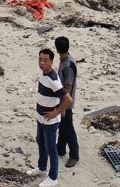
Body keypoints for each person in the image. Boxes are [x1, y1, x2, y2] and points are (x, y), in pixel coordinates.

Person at [26, 48, 72, 187]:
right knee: (40, 141)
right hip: (40, 117)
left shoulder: (53, 80)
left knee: (52, 148)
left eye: (45, 60)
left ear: (51, 61)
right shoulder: (43, 74)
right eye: (40, 59)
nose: (42, 63)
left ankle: (53, 177)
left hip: (50, 121)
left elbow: (68, 99)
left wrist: (56, 112)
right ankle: (41, 168)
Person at [54, 36, 79, 167]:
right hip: (63, 100)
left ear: (57, 49)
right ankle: (61, 149)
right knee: (62, 125)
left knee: (68, 128)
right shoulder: (66, 60)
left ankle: (74, 155)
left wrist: (63, 107)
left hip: (66, 102)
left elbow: (68, 88)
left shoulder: (67, 65)